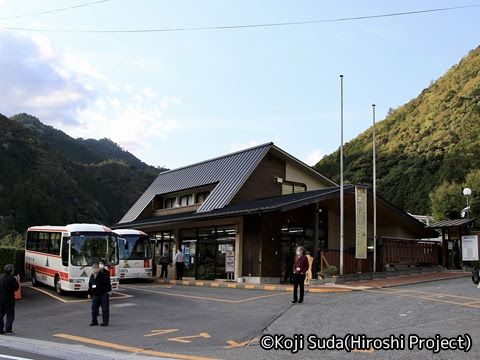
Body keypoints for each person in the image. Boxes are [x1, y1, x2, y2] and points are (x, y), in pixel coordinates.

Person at [0, 264, 19, 335]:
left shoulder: (1, 278)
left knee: (1, 315)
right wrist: (17, 281)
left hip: (1, 299)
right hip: (9, 300)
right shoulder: (12, 279)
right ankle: (8, 329)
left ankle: (0, 329)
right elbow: (16, 288)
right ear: (11, 271)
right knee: (10, 315)